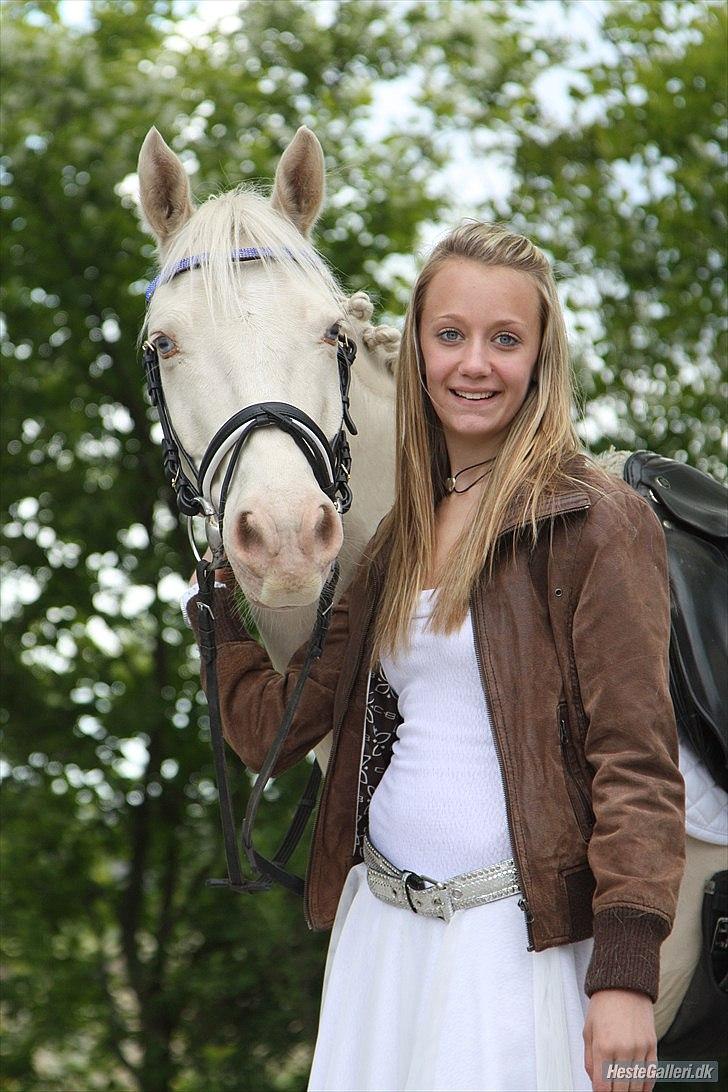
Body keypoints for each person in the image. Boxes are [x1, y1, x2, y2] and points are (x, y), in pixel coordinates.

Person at [185, 222, 685, 1092]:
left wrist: (625, 974)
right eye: (450, 335)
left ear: (540, 357)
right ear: (416, 347)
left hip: (511, 947)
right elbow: (279, 726)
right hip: (383, 937)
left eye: (505, 340)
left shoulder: (596, 521)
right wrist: (220, 593)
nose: (474, 364)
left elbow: (635, 761)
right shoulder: (392, 544)